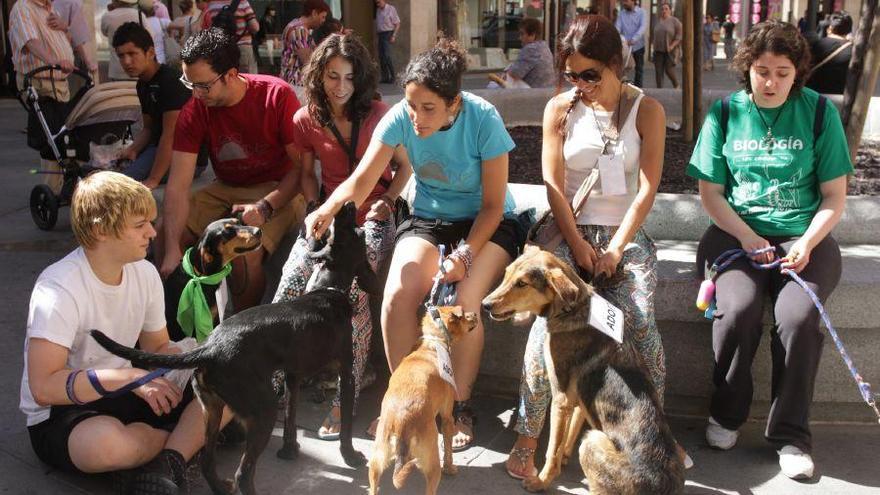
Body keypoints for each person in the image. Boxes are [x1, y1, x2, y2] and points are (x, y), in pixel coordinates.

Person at [305, 38, 527, 450]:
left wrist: (464, 255)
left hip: (488, 224)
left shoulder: (483, 119)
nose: (416, 118)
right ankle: (407, 400)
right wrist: (329, 207)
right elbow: (362, 181)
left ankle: (458, 406)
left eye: (428, 108)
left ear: (453, 103)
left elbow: (495, 206)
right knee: (397, 297)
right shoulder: (400, 118)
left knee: (463, 301)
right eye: (411, 106)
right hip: (429, 217)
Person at [503, 14, 674, 479]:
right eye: (571, 74)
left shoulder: (648, 110)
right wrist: (578, 244)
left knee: (639, 325)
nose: (580, 84)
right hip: (568, 233)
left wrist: (615, 248)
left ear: (618, 64)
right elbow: (552, 184)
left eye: (590, 74)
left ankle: (654, 439)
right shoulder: (560, 108)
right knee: (546, 336)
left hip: (625, 235)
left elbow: (647, 188)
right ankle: (527, 436)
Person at [687, 20, 852, 480]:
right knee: (737, 311)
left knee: (798, 318)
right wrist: (745, 236)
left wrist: (805, 243)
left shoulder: (820, 113)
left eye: (782, 72)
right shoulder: (724, 113)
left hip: (806, 236)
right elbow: (711, 194)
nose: (772, 82)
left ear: (796, 72)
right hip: (734, 233)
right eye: (762, 70)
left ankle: (791, 436)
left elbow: (834, 197)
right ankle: (726, 414)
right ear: (748, 69)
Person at [20, 171, 231, 495]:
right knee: (107, 446)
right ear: (100, 229)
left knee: (232, 377)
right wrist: (131, 379)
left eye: (150, 221)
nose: (152, 232)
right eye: (140, 225)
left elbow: (156, 345)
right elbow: (44, 387)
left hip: (133, 388)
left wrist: (196, 359)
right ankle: (189, 441)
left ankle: (167, 460)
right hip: (67, 410)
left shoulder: (144, 272)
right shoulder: (59, 287)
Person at [273, 33, 412, 440]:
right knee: (290, 283)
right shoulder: (306, 119)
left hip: (373, 214)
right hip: (329, 215)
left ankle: (347, 390)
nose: (340, 87)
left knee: (352, 287)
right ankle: (276, 381)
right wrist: (316, 210)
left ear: (361, 79)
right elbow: (307, 174)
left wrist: (387, 199)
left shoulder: (379, 114)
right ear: (319, 75)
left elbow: (405, 168)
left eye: (349, 78)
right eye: (333, 76)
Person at [160, 28, 306, 312]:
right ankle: (174, 321)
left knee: (241, 249)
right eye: (190, 85)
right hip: (225, 186)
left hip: (279, 186)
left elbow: (302, 171)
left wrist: (265, 207)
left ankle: (241, 326)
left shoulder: (276, 95)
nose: (197, 94)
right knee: (164, 232)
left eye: (203, 86)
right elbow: (177, 186)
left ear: (230, 74)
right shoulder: (195, 109)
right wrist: (170, 251)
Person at [112, 22, 196, 189]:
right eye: (121, 56)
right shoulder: (142, 84)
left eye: (132, 53)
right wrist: (133, 149)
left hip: (184, 154)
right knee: (108, 170)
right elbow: (149, 129)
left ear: (150, 52)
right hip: (157, 147)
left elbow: (171, 136)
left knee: (120, 183)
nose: (126, 61)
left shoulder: (171, 81)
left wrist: (153, 179)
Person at [9, 0, 78, 195]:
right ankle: (53, 189)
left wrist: (66, 28)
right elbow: (30, 42)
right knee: (53, 137)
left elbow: (65, 40)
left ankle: (67, 184)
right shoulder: (23, 7)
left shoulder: (50, 9)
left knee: (65, 136)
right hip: (40, 81)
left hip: (59, 82)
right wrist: (54, 62)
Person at [102, 0, 158, 81]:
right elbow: (150, 36)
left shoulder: (107, 17)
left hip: (117, 69)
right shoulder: (139, 15)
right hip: (139, 67)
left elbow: (104, 33)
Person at [279, 0, 330, 86]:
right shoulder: (300, 31)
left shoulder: (295, 25)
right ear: (314, 13)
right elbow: (308, 60)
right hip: (296, 83)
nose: (323, 21)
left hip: (290, 82)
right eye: (323, 17)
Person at [202, 0, 260, 73]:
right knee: (246, 78)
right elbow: (255, 27)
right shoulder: (243, 2)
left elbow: (209, 27)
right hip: (242, 47)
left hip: (221, 49)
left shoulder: (212, 5)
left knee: (225, 77)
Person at [49, 0, 100, 80]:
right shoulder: (74, 2)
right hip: (71, 56)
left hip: (47, 56)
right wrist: (87, 60)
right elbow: (78, 34)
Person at [806, 11, 853, 95]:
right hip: (841, 98)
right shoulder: (854, 51)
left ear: (830, 28)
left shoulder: (814, 45)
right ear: (849, 30)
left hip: (813, 96)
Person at [615, 0, 647, 88]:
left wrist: (633, 39)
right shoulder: (621, 14)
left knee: (639, 69)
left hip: (638, 45)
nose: (624, 3)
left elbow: (643, 27)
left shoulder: (642, 12)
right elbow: (617, 28)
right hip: (624, 46)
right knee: (622, 68)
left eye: (626, 1)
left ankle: (638, 90)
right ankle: (620, 88)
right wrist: (618, 38)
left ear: (633, 1)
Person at [652, 2, 682, 89]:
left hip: (669, 50)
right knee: (658, 71)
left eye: (666, 9)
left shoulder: (675, 21)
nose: (664, 11)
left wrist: (672, 45)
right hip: (658, 50)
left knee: (669, 70)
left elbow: (679, 36)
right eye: (662, 9)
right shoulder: (658, 21)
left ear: (670, 10)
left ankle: (676, 85)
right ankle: (659, 89)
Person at [375, 0, 401, 84]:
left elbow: (397, 23)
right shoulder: (378, 10)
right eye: (376, 3)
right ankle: (385, 77)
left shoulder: (391, 9)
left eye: (379, 2)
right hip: (380, 34)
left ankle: (393, 77)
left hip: (388, 33)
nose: (378, 4)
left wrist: (394, 36)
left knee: (387, 56)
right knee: (381, 57)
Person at [139, 0, 171, 64]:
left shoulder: (140, 25)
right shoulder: (161, 22)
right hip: (162, 58)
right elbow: (180, 25)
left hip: (147, 60)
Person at [252, 5, 277, 70]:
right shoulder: (264, 19)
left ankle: (273, 63)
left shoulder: (273, 19)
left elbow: (274, 30)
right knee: (269, 49)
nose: (274, 12)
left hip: (270, 38)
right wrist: (265, 39)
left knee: (272, 50)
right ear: (268, 11)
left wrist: (275, 38)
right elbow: (263, 31)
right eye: (272, 10)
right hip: (264, 39)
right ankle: (271, 64)